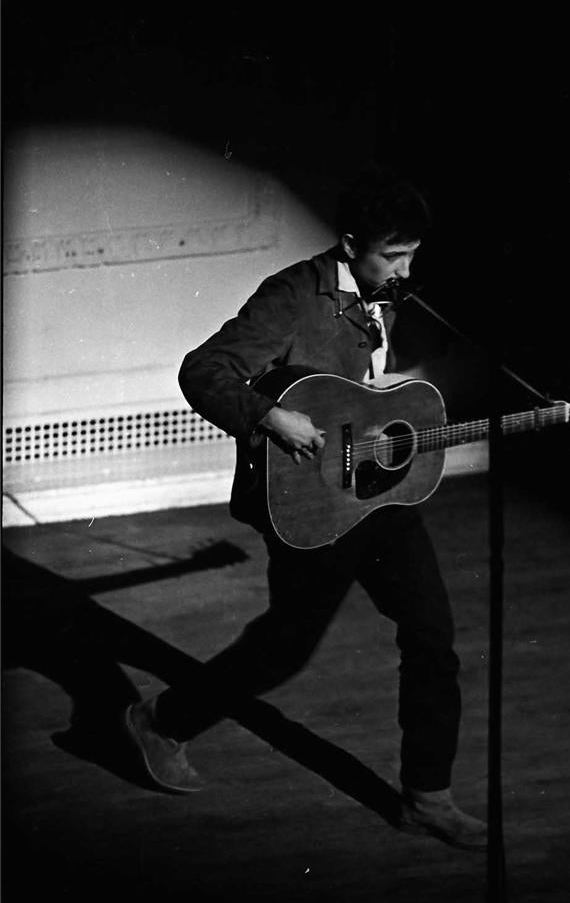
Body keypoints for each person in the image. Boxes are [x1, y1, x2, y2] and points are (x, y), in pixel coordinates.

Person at [124, 168, 487, 851]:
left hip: (376, 492)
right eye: (393, 256)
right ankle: (159, 719)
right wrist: (270, 417)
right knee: (286, 647)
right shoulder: (294, 295)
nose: (406, 271)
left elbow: (358, 387)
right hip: (309, 497)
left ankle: (426, 798)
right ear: (351, 244)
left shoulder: (387, 293)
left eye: (413, 255)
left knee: (434, 637)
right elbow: (204, 371)